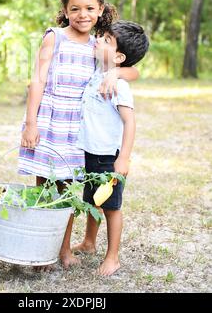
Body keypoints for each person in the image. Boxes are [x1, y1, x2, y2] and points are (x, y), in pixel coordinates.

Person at [19, 0, 139, 268]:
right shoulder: (55, 37)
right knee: (46, 188)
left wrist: (117, 74)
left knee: (68, 190)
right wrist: (30, 123)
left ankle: (63, 249)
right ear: (65, 10)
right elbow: (37, 80)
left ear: (100, 10)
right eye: (75, 8)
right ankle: (43, 248)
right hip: (51, 121)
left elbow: (132, 69)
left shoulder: (100, 44)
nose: (82, 14)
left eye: (89, 8)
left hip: (77, 128)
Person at [73, 20, 149, 275]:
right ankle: (89, 242)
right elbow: (132, 70)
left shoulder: (119, 85)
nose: (98, 39)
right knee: (93, 200)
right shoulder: (99, 71)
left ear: (119, 56)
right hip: (90, 152)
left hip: (109, 156)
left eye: (106, 39)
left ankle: (113, 257)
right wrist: (115, 70)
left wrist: (124, 158)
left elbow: (130, 121)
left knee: (111, 207)